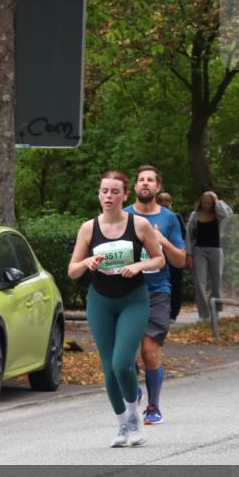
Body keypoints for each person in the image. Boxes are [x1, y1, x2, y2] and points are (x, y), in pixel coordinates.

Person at [68, 171, 164, 448]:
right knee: (108, 368)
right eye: (104, 191)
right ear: (98, 194)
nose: (108, 196)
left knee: (122, 362)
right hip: (100, 301)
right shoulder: (89, 228)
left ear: (124, 195)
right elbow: (72, 271)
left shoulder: (140, 224)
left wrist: (139, 265)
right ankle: (122, 424)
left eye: (114, 192)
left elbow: (158, 259)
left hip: (133, 299)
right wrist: (87, 263)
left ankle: (135, 417)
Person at [124, 165, 185, 425]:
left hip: (158, 292)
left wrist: (163, 241)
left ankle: (153, 406)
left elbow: (181, 260)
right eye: (141, 180)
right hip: (126, 292)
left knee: (149, 349)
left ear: (158, 187)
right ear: (135, 187)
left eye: (150, 180)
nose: (145, 184)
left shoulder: (169, 219)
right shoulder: (122, 216)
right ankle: (133, 390)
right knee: (124, 354)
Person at [186, 191, 233, 319]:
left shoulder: (219, 215)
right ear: (201, 202)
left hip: (216, 250)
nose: (207, 205)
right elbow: (189, 235)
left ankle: (215, 311)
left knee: (217, 282)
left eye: (210, 202)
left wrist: (217, 201)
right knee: (199, 283)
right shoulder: (194, 215)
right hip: (199, 250)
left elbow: (228, 215)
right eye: (205, 202)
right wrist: (189, 254)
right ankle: (204, 314)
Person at [156, 192, 187, 321]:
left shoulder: (176, 217)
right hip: (158, 255)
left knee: (175, 284)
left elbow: (183, 236)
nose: (165, 208)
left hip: (173, 253)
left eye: (167, 205)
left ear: (171, 204)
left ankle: (173, 313)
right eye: (162, 205)